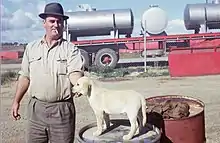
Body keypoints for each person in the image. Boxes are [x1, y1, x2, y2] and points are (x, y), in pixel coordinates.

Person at [10, 2, 84, 143]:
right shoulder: (31, 48)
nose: (55, 25)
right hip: (36, 110)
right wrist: (16, 101)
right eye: (52, 21)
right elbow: (25, 77)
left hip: (61, 110)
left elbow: (75, 73)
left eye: (59, 21)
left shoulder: (71, 49)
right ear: (44, 23)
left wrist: (81, 85)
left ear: (63, 24)